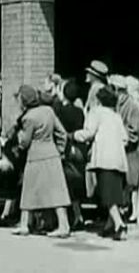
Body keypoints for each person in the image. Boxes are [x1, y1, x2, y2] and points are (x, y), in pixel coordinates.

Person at [12, 84, 71, 238]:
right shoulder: (48, 111)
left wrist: (19, 140)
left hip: (35, 156)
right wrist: (60, 150)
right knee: (57, 192)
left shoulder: (28, 118)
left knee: (29, 191)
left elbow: (25, 142)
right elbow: (62, 133)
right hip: (52, 154)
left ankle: (24, 224)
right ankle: (64, 225)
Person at [73, 85, 129, 240]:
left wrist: (74, 135)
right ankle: (109, 226)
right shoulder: (115, 115)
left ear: (98, 100)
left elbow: (89, 133)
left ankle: (119, 225)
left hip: (104, 158)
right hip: (119, 159)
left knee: (107, 194)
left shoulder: (96, 113)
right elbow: (125, 138)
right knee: (115, 192)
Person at [111, 75, 139, 223]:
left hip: (132, 150)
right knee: (126, 182)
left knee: (133, 181)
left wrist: (123, 140)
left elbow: (133, 131)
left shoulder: (133, 105)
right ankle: (128, 208)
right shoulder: (119, 105)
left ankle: (135, 211)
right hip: (123, 149)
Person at [53, 79, 87, 230]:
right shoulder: (80, 112)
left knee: (64, 184)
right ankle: (78, 214)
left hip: (65, 150)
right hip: (78, 150)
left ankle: (66, 219)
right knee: (75, 184)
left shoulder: (60, 111)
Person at [83, 60, 109, 200]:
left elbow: (91, 113)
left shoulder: (95, 89)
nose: (87, 75)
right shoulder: (101, 88)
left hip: (94, 133)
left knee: (94, 169)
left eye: (90, 73)